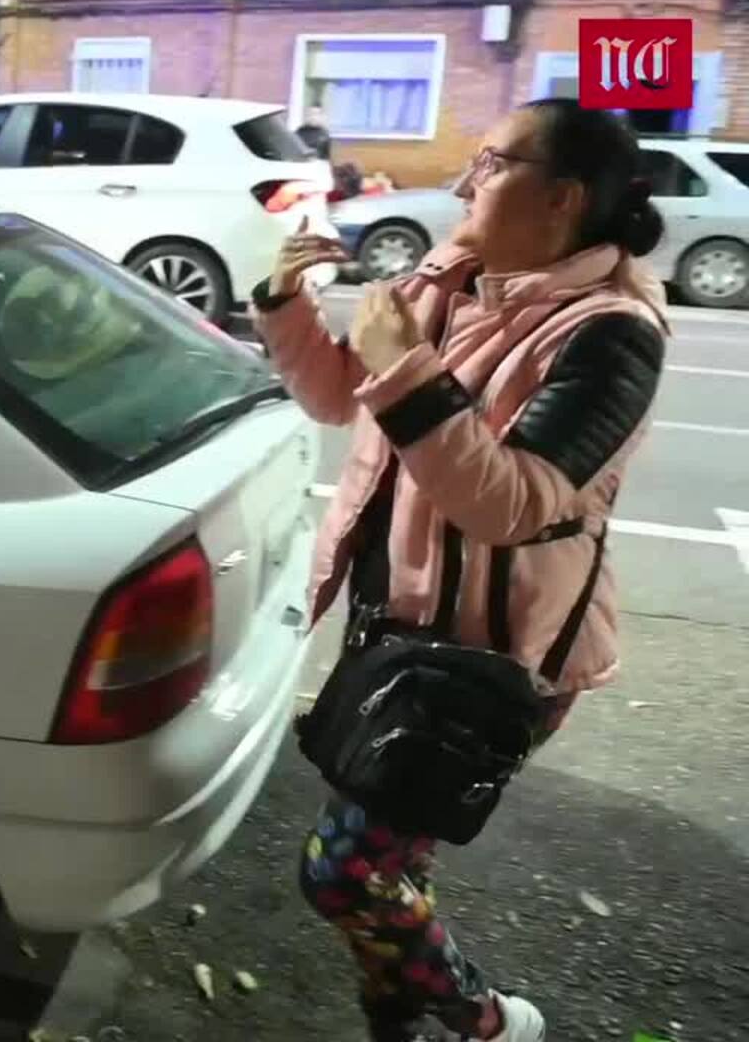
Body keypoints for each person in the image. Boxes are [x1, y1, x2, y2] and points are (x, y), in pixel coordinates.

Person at [255, 97, 669, 1042]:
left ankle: (487, 1021)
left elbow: (513, 503)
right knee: (391, 863)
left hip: (494, 658)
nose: (464, 181)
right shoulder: (449, 278)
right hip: (398, 631)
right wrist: (286, 304)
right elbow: (342, 399)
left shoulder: (613, 335)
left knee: (346, 870)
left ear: (562, 198)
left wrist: (405, 369)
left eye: (492, 162)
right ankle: (395, 1019)